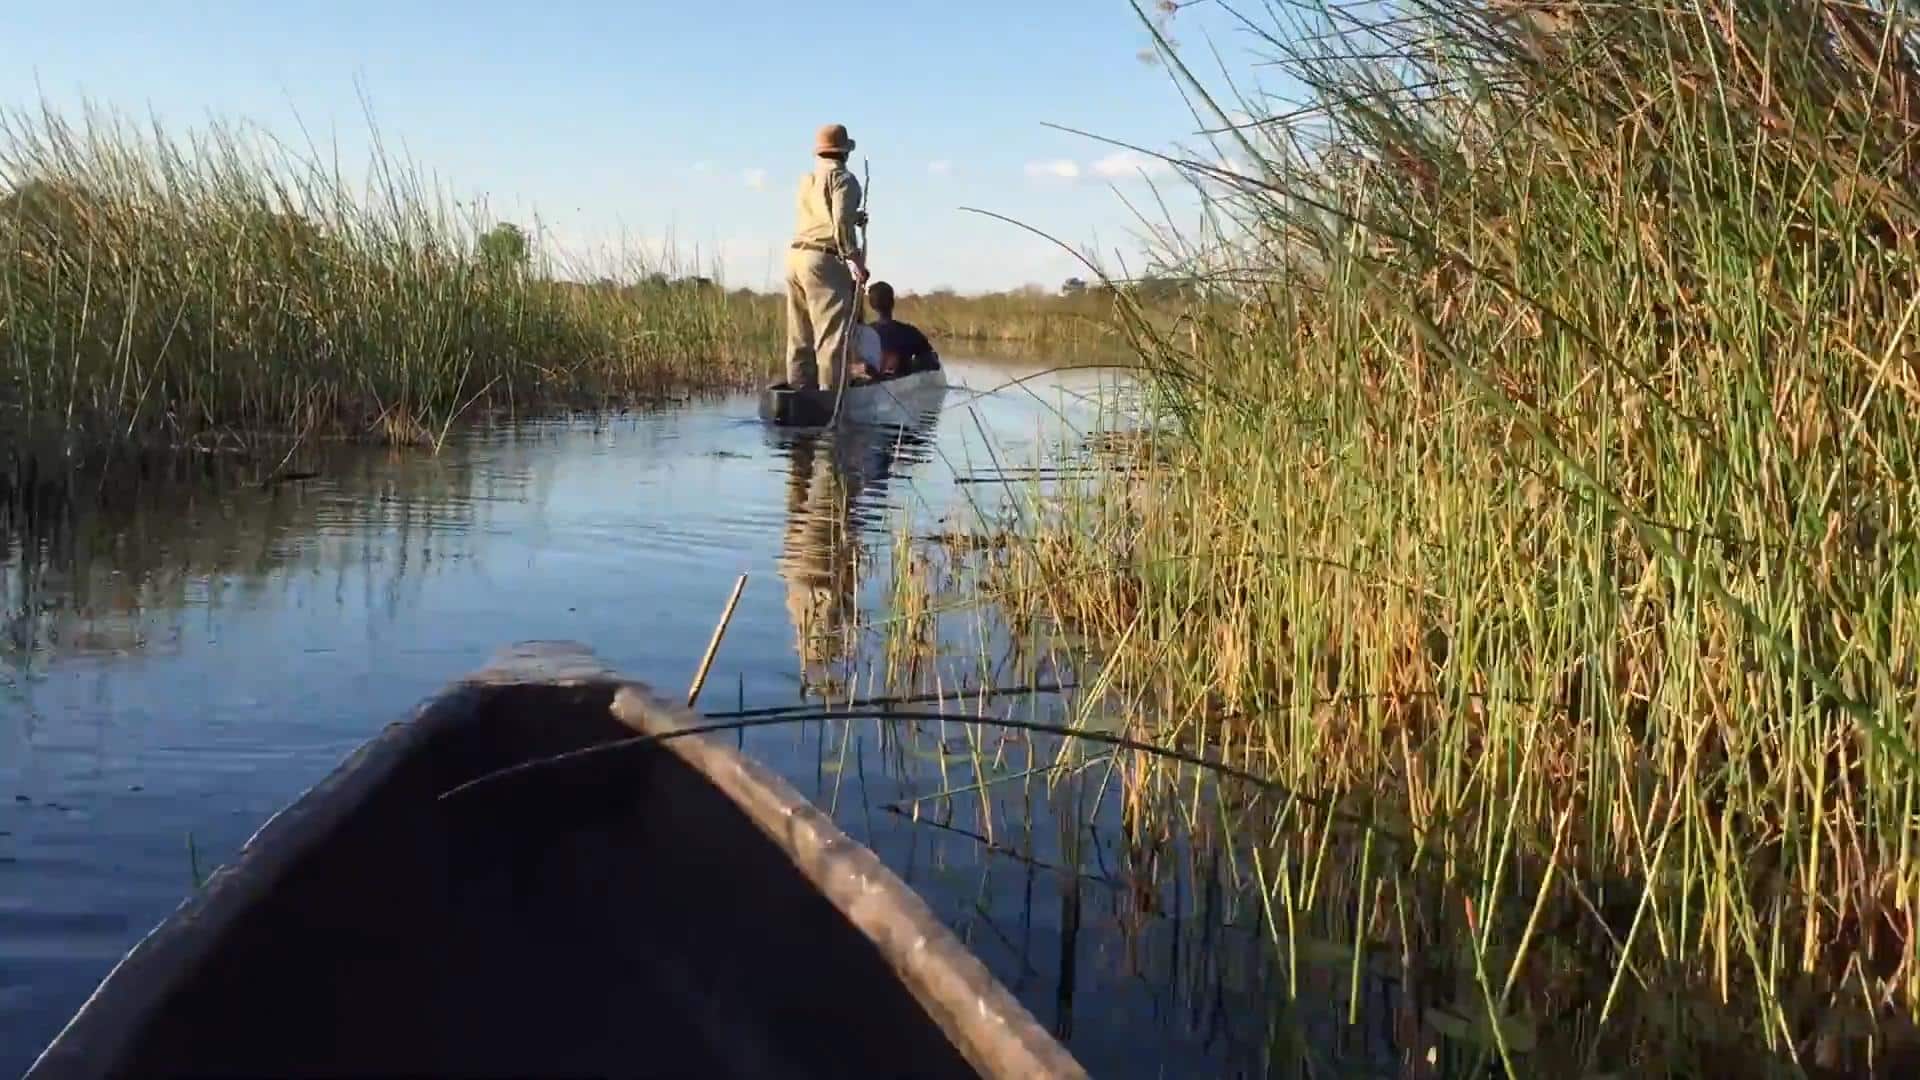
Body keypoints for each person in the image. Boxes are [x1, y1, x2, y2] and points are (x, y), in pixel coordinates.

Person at [784, 124, 868, 395]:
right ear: (845, 152)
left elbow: (823, 217)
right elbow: (840, 222)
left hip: (796, 257)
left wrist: (855, 218)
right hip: (824, 260)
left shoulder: (806, 180)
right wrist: (854, 259)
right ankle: (831, 402)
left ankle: (798, 396)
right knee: (832, 339)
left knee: (800, 336)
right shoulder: (844, 179)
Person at [865, 281, 939, 376]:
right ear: (893, 302)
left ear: (872, 305)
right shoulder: (910, 332)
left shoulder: (862, 333)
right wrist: (909, 366)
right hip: (900, 384)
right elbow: (933, 362)